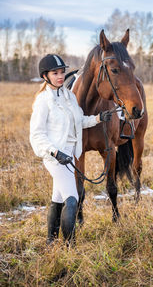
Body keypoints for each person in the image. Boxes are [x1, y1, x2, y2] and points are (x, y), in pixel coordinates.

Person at [30, 54, 111, 246]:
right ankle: (69, 245)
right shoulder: (43, 101)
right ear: (45, 76)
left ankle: (51, 240)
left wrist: (99, 118)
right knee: (72, 199)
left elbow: (80, 121)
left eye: (62, 72)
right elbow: (37, 135)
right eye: (55, 73)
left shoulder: (69, 96)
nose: (60, 76)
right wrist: (56, 153)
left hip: (70, 153)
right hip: (55, 156)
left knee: (57, 197)